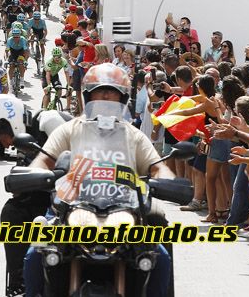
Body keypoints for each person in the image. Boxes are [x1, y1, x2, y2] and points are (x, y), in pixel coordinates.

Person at [24, 65, 176, 297]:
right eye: (99, 91)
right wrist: (36, 174)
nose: (105, 97)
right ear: (88, 96)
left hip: (124, 210)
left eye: (112, 92)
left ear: (122, 98)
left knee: (159, 256)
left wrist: (166, 181)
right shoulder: (70, 129)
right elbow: (44, 160)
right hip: (71, 207)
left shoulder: (133, 135)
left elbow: (157, 167)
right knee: (36, 254)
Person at [0, 94, 66, 296]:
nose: (5, 144)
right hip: (51, 198)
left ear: (9, 123)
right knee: (13, 211)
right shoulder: (25, 141)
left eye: (2, 138)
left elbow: (74, 158)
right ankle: (20, 282)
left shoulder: (48, 122)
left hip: (74, 198)